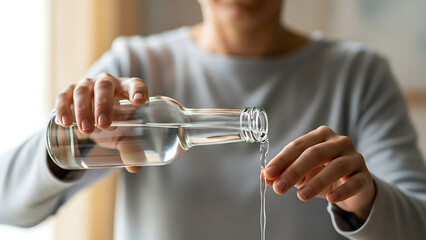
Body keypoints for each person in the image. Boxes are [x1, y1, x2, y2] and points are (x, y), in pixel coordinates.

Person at [1, 0, 426, 239]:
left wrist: (365, 200)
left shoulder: (358, 74)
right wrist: (75, 143)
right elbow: (9, 206)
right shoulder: (136, 66)